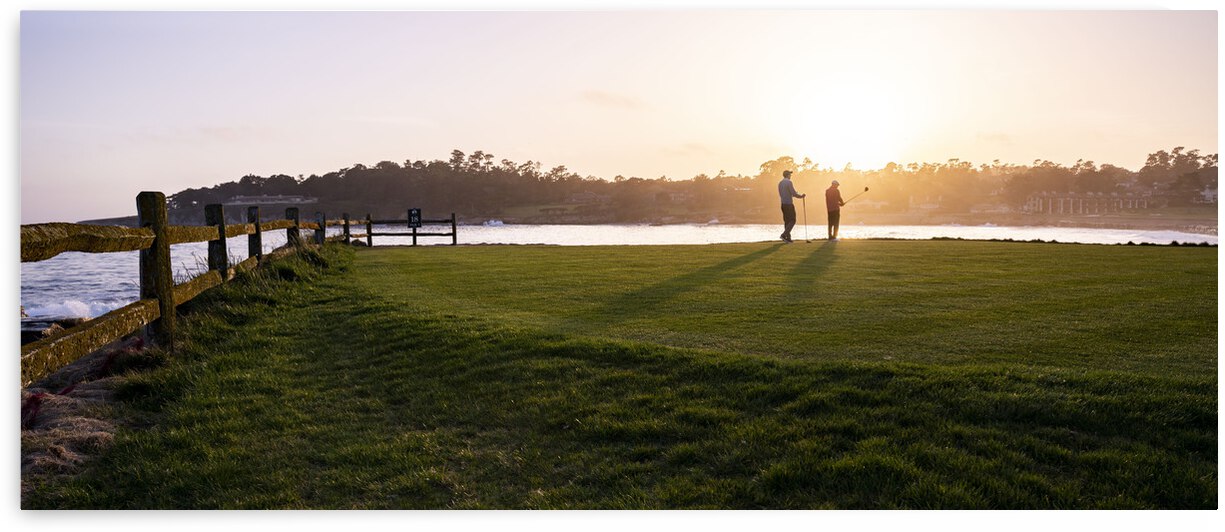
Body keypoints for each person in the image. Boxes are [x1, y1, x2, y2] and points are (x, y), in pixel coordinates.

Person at [777, 170, 805, 242]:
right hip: (789, 204)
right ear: (788, 175)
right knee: (793, 220)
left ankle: (788, 238)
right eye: (790, 174)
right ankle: (784, 235)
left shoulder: (780, 183)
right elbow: (793, 193)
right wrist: (801, 196)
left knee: (787, 221)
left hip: (783, 204)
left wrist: (792, 195)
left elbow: (782, 194)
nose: (791, 176)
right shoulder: (789, 182)